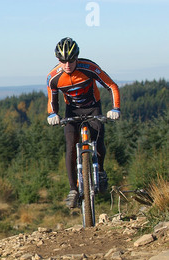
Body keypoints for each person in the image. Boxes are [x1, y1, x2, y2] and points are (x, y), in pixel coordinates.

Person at [46, 37, 121, 208]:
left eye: (71, 60)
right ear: (58, 60)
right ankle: (73, 189)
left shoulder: (89, 68)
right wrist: (53, 114)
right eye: (63, 61)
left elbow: (112, 86)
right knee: (71, 145)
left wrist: (115, 108)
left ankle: (100, 172)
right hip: (71, 110)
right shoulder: (53, 78)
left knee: (98, 140)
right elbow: (52, 100)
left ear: (77, 57)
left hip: (93, 107)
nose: (67, 65)